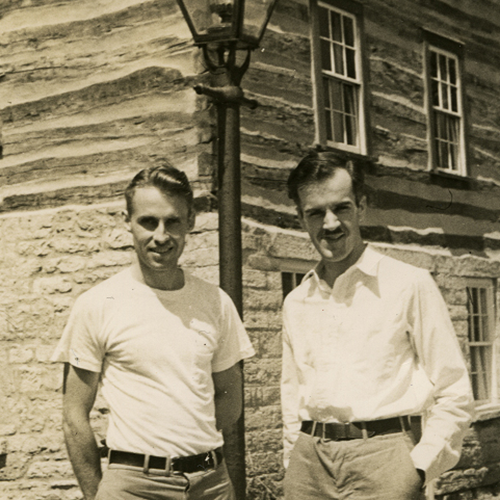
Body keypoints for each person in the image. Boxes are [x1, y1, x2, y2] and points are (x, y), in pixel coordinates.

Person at [52, 165, 255, 500]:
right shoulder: (98, 304)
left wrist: (186, 437)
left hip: (211, 483)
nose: (161, 236)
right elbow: (74, 416)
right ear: (128, 222)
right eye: (148, 222)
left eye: (172, 221)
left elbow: (230, 400)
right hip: (134, 485)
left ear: (190, 222)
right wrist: (96, 494)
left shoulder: (215, 302)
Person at [280, 151, 474, 500]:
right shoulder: (296, 301)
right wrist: (292, 461)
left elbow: (454, 391)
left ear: (362, 206)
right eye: (315, 213)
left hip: (384, 460)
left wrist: (417, 469)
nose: (330, 224)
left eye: (341, 208)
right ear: (300, 218)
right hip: (309, 466)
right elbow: (291, 393)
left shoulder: (408, 283)